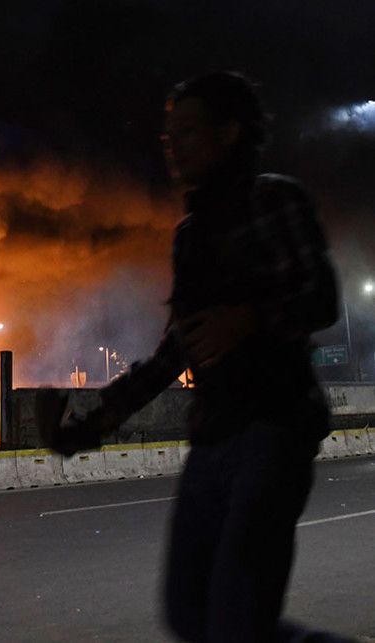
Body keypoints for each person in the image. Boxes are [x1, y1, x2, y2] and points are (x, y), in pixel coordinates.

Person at [38, 72, 356, 642]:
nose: (171, 145)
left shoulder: (276, 200)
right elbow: (174, 351)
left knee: (236, 618)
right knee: (189, 613)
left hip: (276, 427)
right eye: (167, 134)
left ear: (229, 132)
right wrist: (94, 425)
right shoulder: (190, 235)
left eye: (186, 131)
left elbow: (321, 298)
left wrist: (251, 317)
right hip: (215, 437)